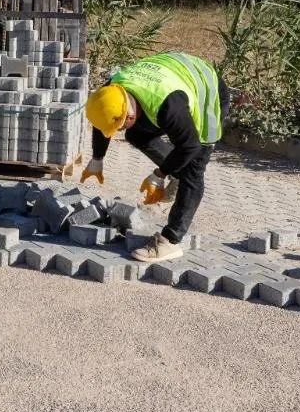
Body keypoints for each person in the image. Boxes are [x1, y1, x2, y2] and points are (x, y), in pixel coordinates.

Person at [81, 51, 230, 263]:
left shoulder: (168, 107)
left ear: (130, 115)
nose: (117, 131)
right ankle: (176, 173)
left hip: (208, 90)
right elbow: (101, 122)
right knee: (137, 134)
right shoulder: (111, 90)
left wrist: (159, 174)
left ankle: (171, 241)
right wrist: (97, 159)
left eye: (119, 126)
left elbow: (190, 146)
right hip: (178, 73)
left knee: (193, 170)